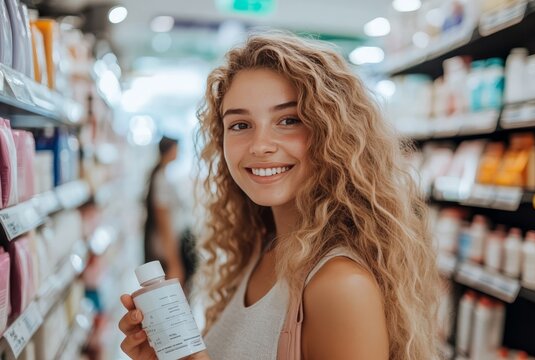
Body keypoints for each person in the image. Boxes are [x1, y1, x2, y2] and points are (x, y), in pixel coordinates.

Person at [119, 32, 439, 360]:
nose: (260, 145)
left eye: (289, 120)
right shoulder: (262, 247)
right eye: (240, 125)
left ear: (334, 135)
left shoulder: (340, 286)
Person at [143, 136, 197, 286]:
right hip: (167, 248)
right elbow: (163, 222)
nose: (178, 153)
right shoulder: (161, 179)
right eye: (176, 149)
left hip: (170, 244)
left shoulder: (161, 175)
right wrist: (174, 262)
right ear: (170, 150)